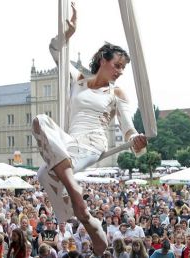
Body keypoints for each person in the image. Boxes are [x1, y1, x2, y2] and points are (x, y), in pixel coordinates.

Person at [32, 2, 147, 256]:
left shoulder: (115, 93)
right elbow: (55, 49)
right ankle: (85, 216)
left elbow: (127, 126)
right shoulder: (79, 80)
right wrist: (68, 34)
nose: (120, 72)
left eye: (123, 68)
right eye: (117, 65)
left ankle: (76, 195)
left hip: (93, 143)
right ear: (102, 60)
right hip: (70, 139)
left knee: (50, 174)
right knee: (40, 126)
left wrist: (135, 138)